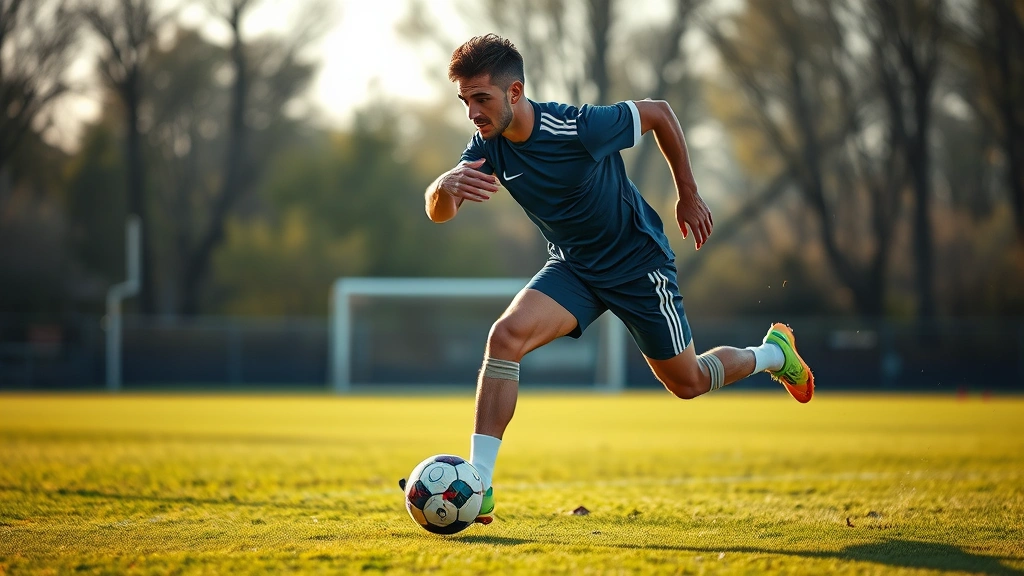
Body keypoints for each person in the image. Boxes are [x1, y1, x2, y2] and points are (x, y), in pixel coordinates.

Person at [423, 34, 814, 525]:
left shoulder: (578, 127)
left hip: (637, 266)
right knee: (504, 338)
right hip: (575, 269)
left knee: (688, 383)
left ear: (516, 92)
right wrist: (443, 185)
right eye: (465, 101)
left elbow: (659, 113)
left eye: (482, 98)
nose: (473, 112)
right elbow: (441, 212)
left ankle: (774, 353)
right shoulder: (486, 144)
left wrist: (687, 194)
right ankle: (479, 486)